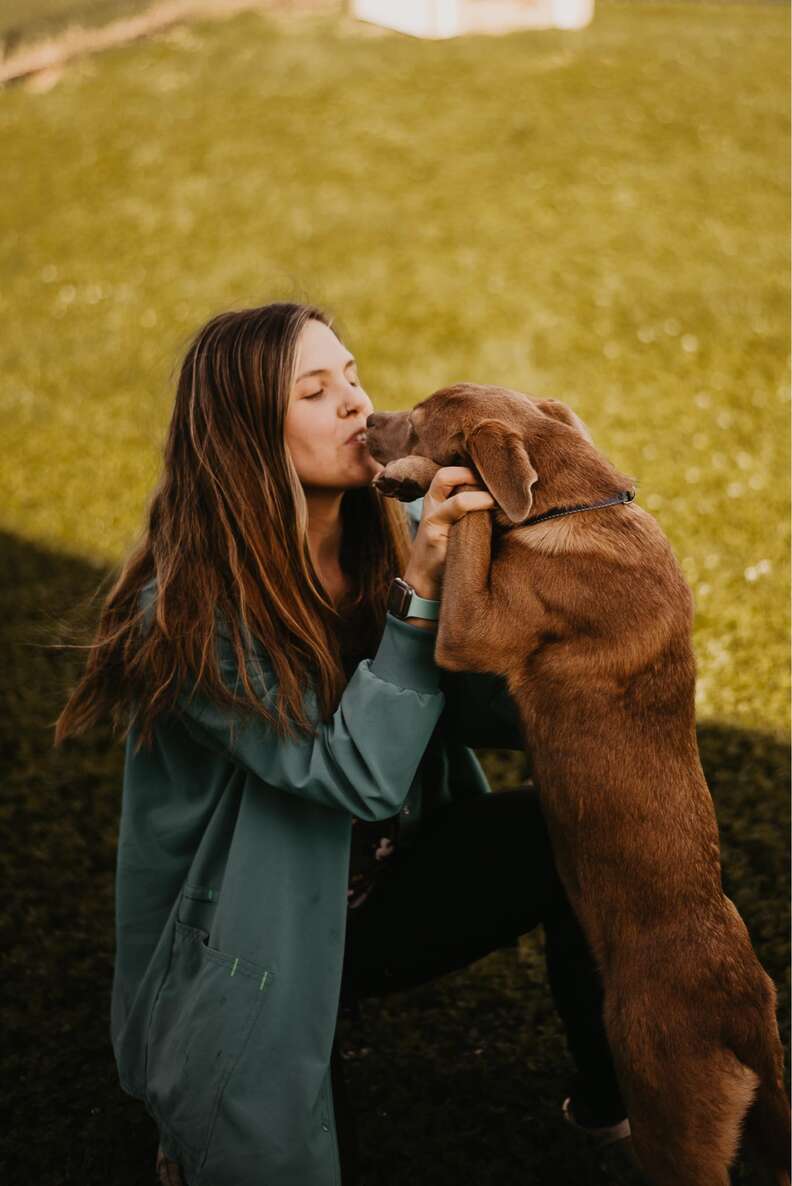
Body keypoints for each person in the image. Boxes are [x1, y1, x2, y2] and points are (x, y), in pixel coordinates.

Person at [54, 302, 636, 1186]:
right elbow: (353, 777)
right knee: (277, 1142)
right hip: (257, 930)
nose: (356, 405)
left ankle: (614, 1094)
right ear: (247, 435)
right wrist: (419, 600)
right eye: (316, 391)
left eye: (354, 376)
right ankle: (204, 1089)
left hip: (383, 883)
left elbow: (482, 708)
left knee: (585, 837)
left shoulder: (387, 526)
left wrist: (549, 575)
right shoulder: (184, 616)